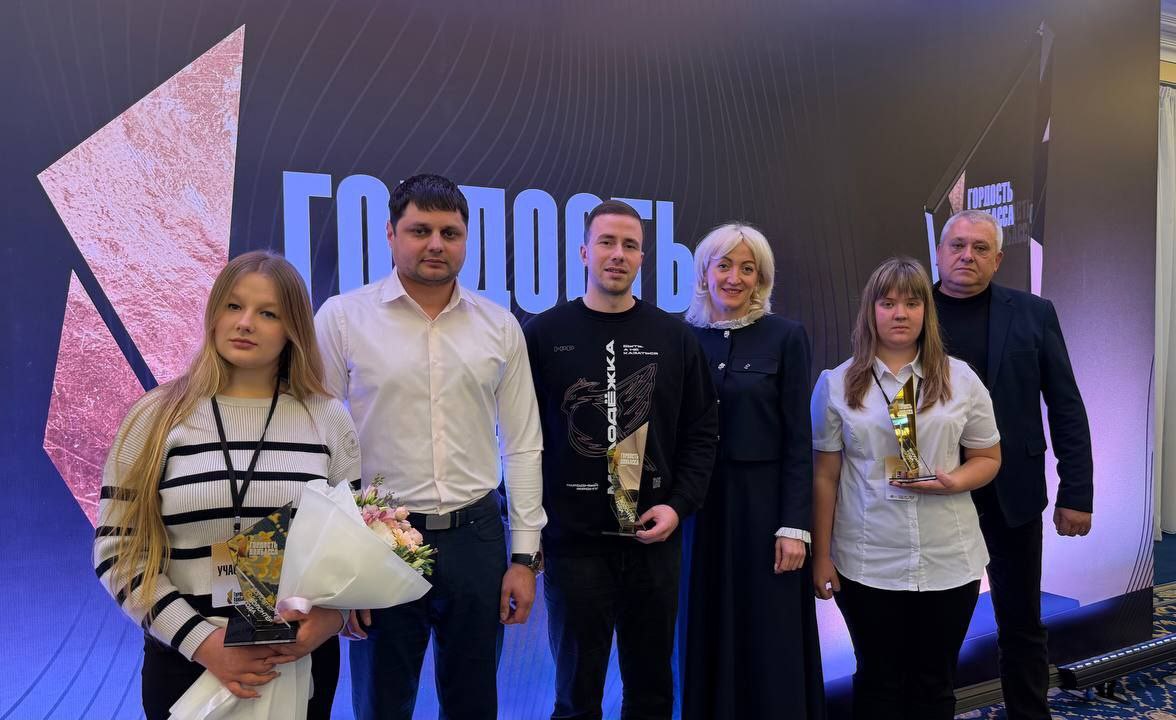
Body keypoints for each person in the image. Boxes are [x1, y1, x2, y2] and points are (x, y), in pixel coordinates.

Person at [315, 173, 545, 720]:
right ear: (391, 234)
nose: (436, 244)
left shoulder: (499, 326)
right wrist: (341, 564)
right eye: (420, 230)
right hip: (380, 542)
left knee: (473, 704)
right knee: (381, 705)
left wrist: (524, 558)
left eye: (450, 233)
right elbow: (318, 443)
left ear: (466, 239)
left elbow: (522, 445)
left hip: (477, 537)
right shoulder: (343, 319)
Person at [94, 250, 360, 720]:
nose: (245, 323)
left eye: (268, 313)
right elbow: (119, 552)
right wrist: (204, 643)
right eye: (233, 306)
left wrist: (331, 618)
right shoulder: (155, 417)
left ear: (293, 329)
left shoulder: (328, 419)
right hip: (186, 661)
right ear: (214, 314)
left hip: (294, 660)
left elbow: (354, 550)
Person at [523, 199, 718, 720]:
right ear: (584, 252)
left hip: (654, 541)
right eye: (606, 242)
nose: (618, 254)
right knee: (575, 697)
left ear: (642, 258)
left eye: (630, 245)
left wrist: (678, 506)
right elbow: (520, 439)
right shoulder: (543, 334)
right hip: (574, 546)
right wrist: (529, 528)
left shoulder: (674, 337)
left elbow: (702, 433)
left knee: (652, 693)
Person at [811, 256, 1002, 720]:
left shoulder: (961, 379)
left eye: (913, 303)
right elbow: (824, 476)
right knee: (878, 682)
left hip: (949, 561)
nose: (900, 313)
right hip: (867, 562)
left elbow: (989, 458)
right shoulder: (836, 385)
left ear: (926, 312)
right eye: (888, 303)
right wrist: (821, 556)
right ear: (870, 311)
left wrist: (955, 480)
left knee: (935, 684)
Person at [933, 209, 1093, 720]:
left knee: (1022, 624)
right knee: (934, 630)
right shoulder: (909, 313)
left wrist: (1076, 492)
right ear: (939, 252)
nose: (967, 256)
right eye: (958, 245)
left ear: (999, 259)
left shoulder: (1033, 314)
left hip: (1013, 493)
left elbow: (1065, 405)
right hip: (934, 495)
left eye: (980, 248)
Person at [679, 223, 825, 719]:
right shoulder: (680, 337)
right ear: (704, 271)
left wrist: (795, 526)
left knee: (770, 637)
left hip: (766, 516)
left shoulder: (786, 337)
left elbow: (798, 441)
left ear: (762, 278)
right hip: (698, 514)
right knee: (701, 629)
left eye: (748, 268)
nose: (734, 278)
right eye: (724, 265)